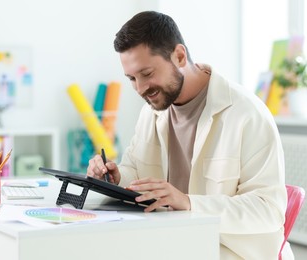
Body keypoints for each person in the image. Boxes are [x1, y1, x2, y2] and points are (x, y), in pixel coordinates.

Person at [87, 11, 293, 259]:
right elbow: (137, 172)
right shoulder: (152, 112)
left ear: (180, 56)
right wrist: (116, 177)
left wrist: (188, 202)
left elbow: (268, 210)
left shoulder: (247, 114)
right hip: (171, 241)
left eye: (147, 74)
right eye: (132, 78)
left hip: (229, 251)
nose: (140, 89)